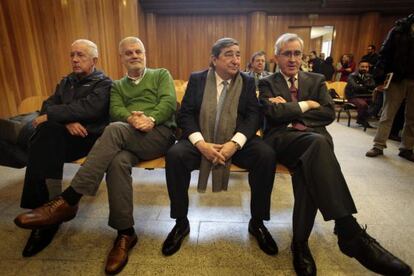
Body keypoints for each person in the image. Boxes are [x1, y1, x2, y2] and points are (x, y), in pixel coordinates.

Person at [14, 37, 177, 275]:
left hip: (159, 133)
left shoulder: (161, 74)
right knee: (117, 162)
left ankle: (70, 198)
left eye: (138, 51)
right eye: (128, 52)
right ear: (121, 58)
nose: (134, 55)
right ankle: (125, 233)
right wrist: (131, 118)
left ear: (145, 53)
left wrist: (149, 118)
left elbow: (168, 102)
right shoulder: (118, 85)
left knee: (113, 130)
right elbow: (115, 111)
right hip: (129, 135)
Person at [259, 33, 412, 276]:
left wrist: (288, 109)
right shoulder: (266, 82)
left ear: (302, 56)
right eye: (286, 53)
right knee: (317, 144)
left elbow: (329, 113)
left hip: (313, 142)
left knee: (309, 166)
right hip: (281, 140)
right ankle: (348, 231)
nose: (292, 58)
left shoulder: (317, 79)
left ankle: (300, 245)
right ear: (276, 56)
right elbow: (273, 115)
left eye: (296, 53)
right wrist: (308, 105)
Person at [161, 38, 277, 257]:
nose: (236, 60)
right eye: (229, 54)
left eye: (238, 54)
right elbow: (185, 114)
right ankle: (180, 222)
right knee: (175, 155)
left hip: (236, 142)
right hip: (202, 140)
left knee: (266, 155)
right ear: (213, 59)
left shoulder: (247, 81)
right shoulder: (198, 79)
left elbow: (253, 115)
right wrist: (200, 143)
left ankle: (258, 222)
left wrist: (235, 143)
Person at [15, 39, 112, 258]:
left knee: (46, 135)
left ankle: (46, 213)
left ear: (94, 60)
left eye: (81, 55)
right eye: (72, 55)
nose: (75, 60)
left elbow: (90, 109)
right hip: (62, 133)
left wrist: (54, 116)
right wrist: (64, 121)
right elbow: (48, 105)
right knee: (47, 135)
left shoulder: (103, 83)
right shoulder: (66, 81)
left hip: (87, 137)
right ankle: (46, 211)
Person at [366, 14, 414, 162]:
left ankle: (407, 148)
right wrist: (379, 78)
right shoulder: (397, 30)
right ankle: (379, 145)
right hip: (396, 79)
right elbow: (384, 54)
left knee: (412, 117)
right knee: (387, 114)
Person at [345, 60, 376, 128]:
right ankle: (361, 120)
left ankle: (363, 118)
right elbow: (355, 87)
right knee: (363, 104)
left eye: (366, 67)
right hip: (353, 96)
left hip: (366, 96)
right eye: (362, 67)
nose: (364, 68)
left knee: (376, 103)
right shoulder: (352, 76)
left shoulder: (369, 76)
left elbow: (373, 85)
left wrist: (362, 85)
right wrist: (366, 86)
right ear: (358, 67)